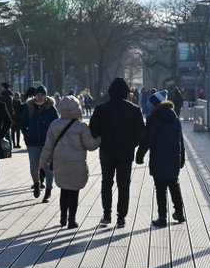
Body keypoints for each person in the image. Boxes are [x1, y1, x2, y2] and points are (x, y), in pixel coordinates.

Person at [88, 77, 145, 228]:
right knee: (123, 184)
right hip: (125, 153)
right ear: (126, 93)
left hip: (106, 152)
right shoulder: (134, 110)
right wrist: (132, 144)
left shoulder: (101, 110)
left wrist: (102, 138)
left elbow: (92, 130)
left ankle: (107, 214)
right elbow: (141, 133)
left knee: (106, 183)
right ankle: (121, 217)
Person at [39, 96, 100, 228]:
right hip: (76, 164)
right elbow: (91, 145)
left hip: (60, 163)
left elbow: (48, 146)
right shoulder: (81, 127)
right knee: (74, 191)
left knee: (64, 190)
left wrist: (43, 163)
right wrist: (100, 139)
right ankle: (72, 220)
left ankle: (62, 218)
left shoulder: (54, 125)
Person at [137, 90, 186, 227]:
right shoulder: (174, 117)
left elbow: (148, 139)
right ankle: (180, 214)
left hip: (159, 157)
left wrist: (140, 155)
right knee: (174, 185)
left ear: (156, 104)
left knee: (160, 188)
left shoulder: (153, 119)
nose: (149, 106)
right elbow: (180, 140)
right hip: (173, 157)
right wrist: (182, 158)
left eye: (150, 103)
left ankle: (162, 217)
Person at [22, 85, 58, 202]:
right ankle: (36, 183)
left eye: (42, 94)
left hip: (48, 142)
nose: (40, 96)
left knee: (47, 167)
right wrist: (26, 135)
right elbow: (23, 124)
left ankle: (48, 191)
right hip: (32, 142)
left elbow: (57, 125)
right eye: (38, 94)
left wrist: (54, 138)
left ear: (45, 95)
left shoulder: (51, 108)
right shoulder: (29, 107)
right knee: (34, 166)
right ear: (35, 95)